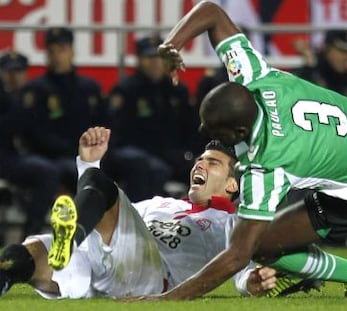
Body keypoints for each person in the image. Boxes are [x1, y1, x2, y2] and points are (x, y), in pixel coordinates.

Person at [129, 1, 347, 300]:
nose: (204, 133)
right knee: (274, 232)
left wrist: (165, 300)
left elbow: (238, 255)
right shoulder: (253, 76)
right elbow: (212, 11)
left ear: (239, 133)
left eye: (214, 130)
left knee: (262, 245)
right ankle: (341, 272)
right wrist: (172, 44)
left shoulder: (266, 165)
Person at [0, 127, 278, 298]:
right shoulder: (160, 203)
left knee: (100, 184)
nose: (199, 166)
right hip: (107, 268)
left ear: (233, 184)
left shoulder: (231, 223)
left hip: (153, 276)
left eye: (212, 163)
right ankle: (11, 276)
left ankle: (69, 241)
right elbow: (104, 219)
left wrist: (250, 282)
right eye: (199, 161)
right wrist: (87, 163)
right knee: (27, 252)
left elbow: (240, 264)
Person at [105, 35, 199, 200]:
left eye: (159, 57)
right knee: (148, 167)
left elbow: (191, 128)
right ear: (139, 60)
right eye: (149, 57)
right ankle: (143, 218)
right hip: (136, 153)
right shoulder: (127, 90)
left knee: (203, 166)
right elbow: (116, 132)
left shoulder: (177, 90)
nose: (155, 62)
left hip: (171, 154)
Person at [19, 27, 106, 195]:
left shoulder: (89, 88)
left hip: (86, 156)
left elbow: (104, 123)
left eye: (62, 50)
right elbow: (33, 130)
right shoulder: (35, 90)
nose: (57, 57)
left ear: (72, 52)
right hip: (49, 157)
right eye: (52, 52)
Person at [0, 51, 60, 237]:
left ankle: (31, 233)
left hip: (26, 157)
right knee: (45, 170)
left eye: (18, 71)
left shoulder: (37, 95)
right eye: (8, 72)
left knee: (49, 171)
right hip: (6, 157)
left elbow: (45, 132)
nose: (13, 76)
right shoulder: (5, 99)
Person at [293, 29, 347, 98]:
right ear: (327, 48)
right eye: (341, 51)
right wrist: (309, 68)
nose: (345, 57)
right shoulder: (307, 74)